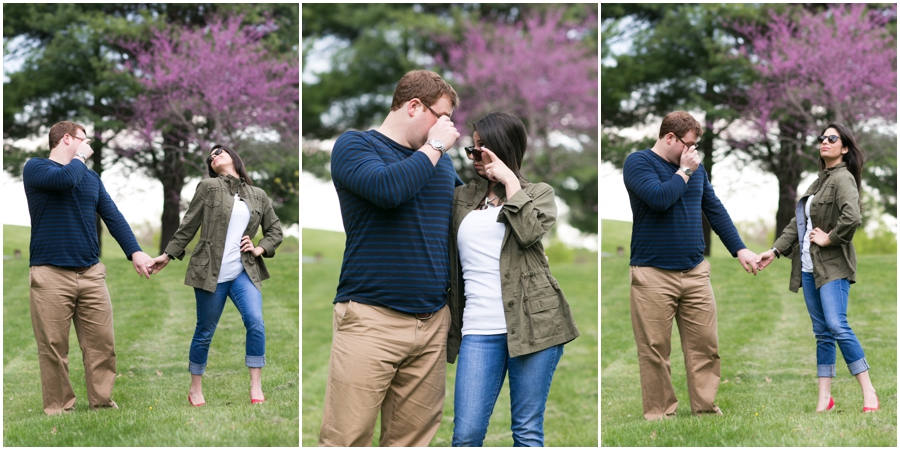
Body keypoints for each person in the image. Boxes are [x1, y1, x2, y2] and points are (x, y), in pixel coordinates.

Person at [318, 69, 461, 447]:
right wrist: (436, 147)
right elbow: (387, 189)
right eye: (442, 117)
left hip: (432, 323)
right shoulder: (355, 146)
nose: (449, 128)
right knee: (346, 439)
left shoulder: (441, 163)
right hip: (370, 319)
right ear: (414, 106)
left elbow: (470, 211)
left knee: (412, 441)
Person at [447, 112, 580, 446]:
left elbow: (529, 232)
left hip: (535, 325)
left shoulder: (538, 193)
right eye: (471, 149)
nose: (474, 157)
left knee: (526, 431)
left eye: (481, 149)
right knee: (466, 434)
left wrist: (510, 181)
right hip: (478, 329)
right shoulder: (460, 198)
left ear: (501, 148)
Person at [622, 111, 759, 420]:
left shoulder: (696, 168)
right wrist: (684, 171)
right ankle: (660, 414)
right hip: (652, 272)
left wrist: (740, 249)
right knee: (655, 351)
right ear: (670, 138)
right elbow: (659, 198)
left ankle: (706, 409)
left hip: (695, 271)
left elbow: (714, 209)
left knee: (706, 347)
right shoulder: (639, 163)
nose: (693, 151)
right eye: (689, 144)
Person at [23, 121, 155, 415]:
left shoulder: (91, 178)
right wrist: (79, 157)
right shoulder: (36, 168)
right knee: (54, 348)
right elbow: (65, 180)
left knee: (102, 345)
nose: (90, 147)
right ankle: (59, 408)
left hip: (91, 273)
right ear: (67, 138)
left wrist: (135, 251)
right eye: (85, 140)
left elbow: (113, 216)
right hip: (50, 273)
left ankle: (102, 402)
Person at [757, 124, 878, 413]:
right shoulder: (818, 182)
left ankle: (869, 391)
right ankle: (825, 399)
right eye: (822, 138)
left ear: (844, 148)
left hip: (834, 266)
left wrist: (830, 237)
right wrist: (774, 251)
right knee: (822, 332)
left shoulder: (843, 179)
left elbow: (853, 216)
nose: (824, 142)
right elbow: (797, 225)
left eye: (832, 138)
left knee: (837, 325)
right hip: (809, 268)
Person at [149, 144, 283, 407]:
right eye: (210, 157)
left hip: (243, 270)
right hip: (209, 270)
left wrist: (259, 248)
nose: (214, 156)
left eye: (219, 152)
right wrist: (168, 254)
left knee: (255, 321)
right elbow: (189, 224)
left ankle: (256, 386)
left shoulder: (258, 195)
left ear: (234, 157)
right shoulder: (208, 187)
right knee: (205, 331)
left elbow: (275, 231)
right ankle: (195, 388)